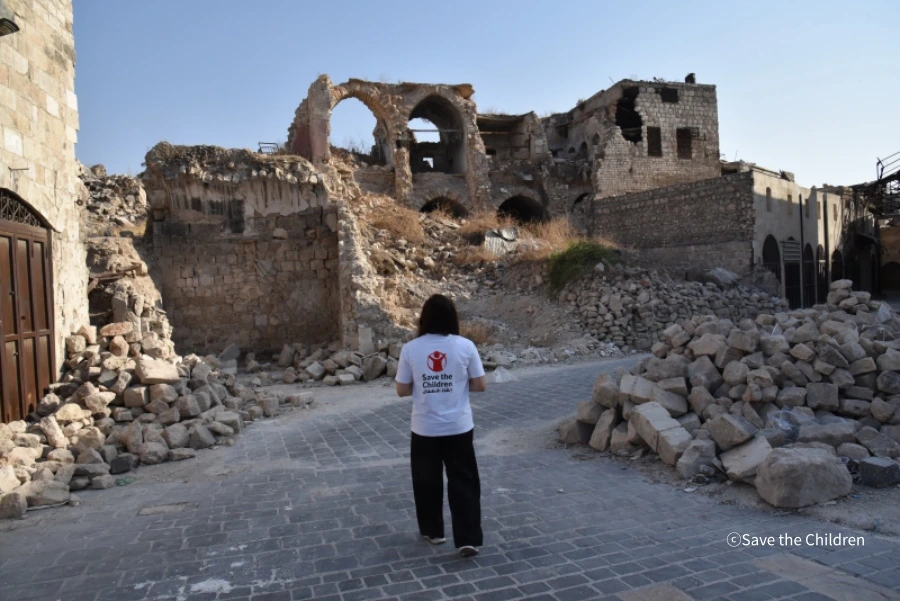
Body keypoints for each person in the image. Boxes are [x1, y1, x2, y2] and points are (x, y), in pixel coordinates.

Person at [395, 294, 487, 558]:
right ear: (452, 319)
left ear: (424, 319)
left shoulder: (411, 349)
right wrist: (456, 385)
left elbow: (402, 390)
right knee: (464, 480)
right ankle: (468, 539)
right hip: (459, 426)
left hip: (425, 428)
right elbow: (480, 385)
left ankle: (433, 531)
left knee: (426, 481)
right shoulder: (466, 346)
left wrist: (424, 385)